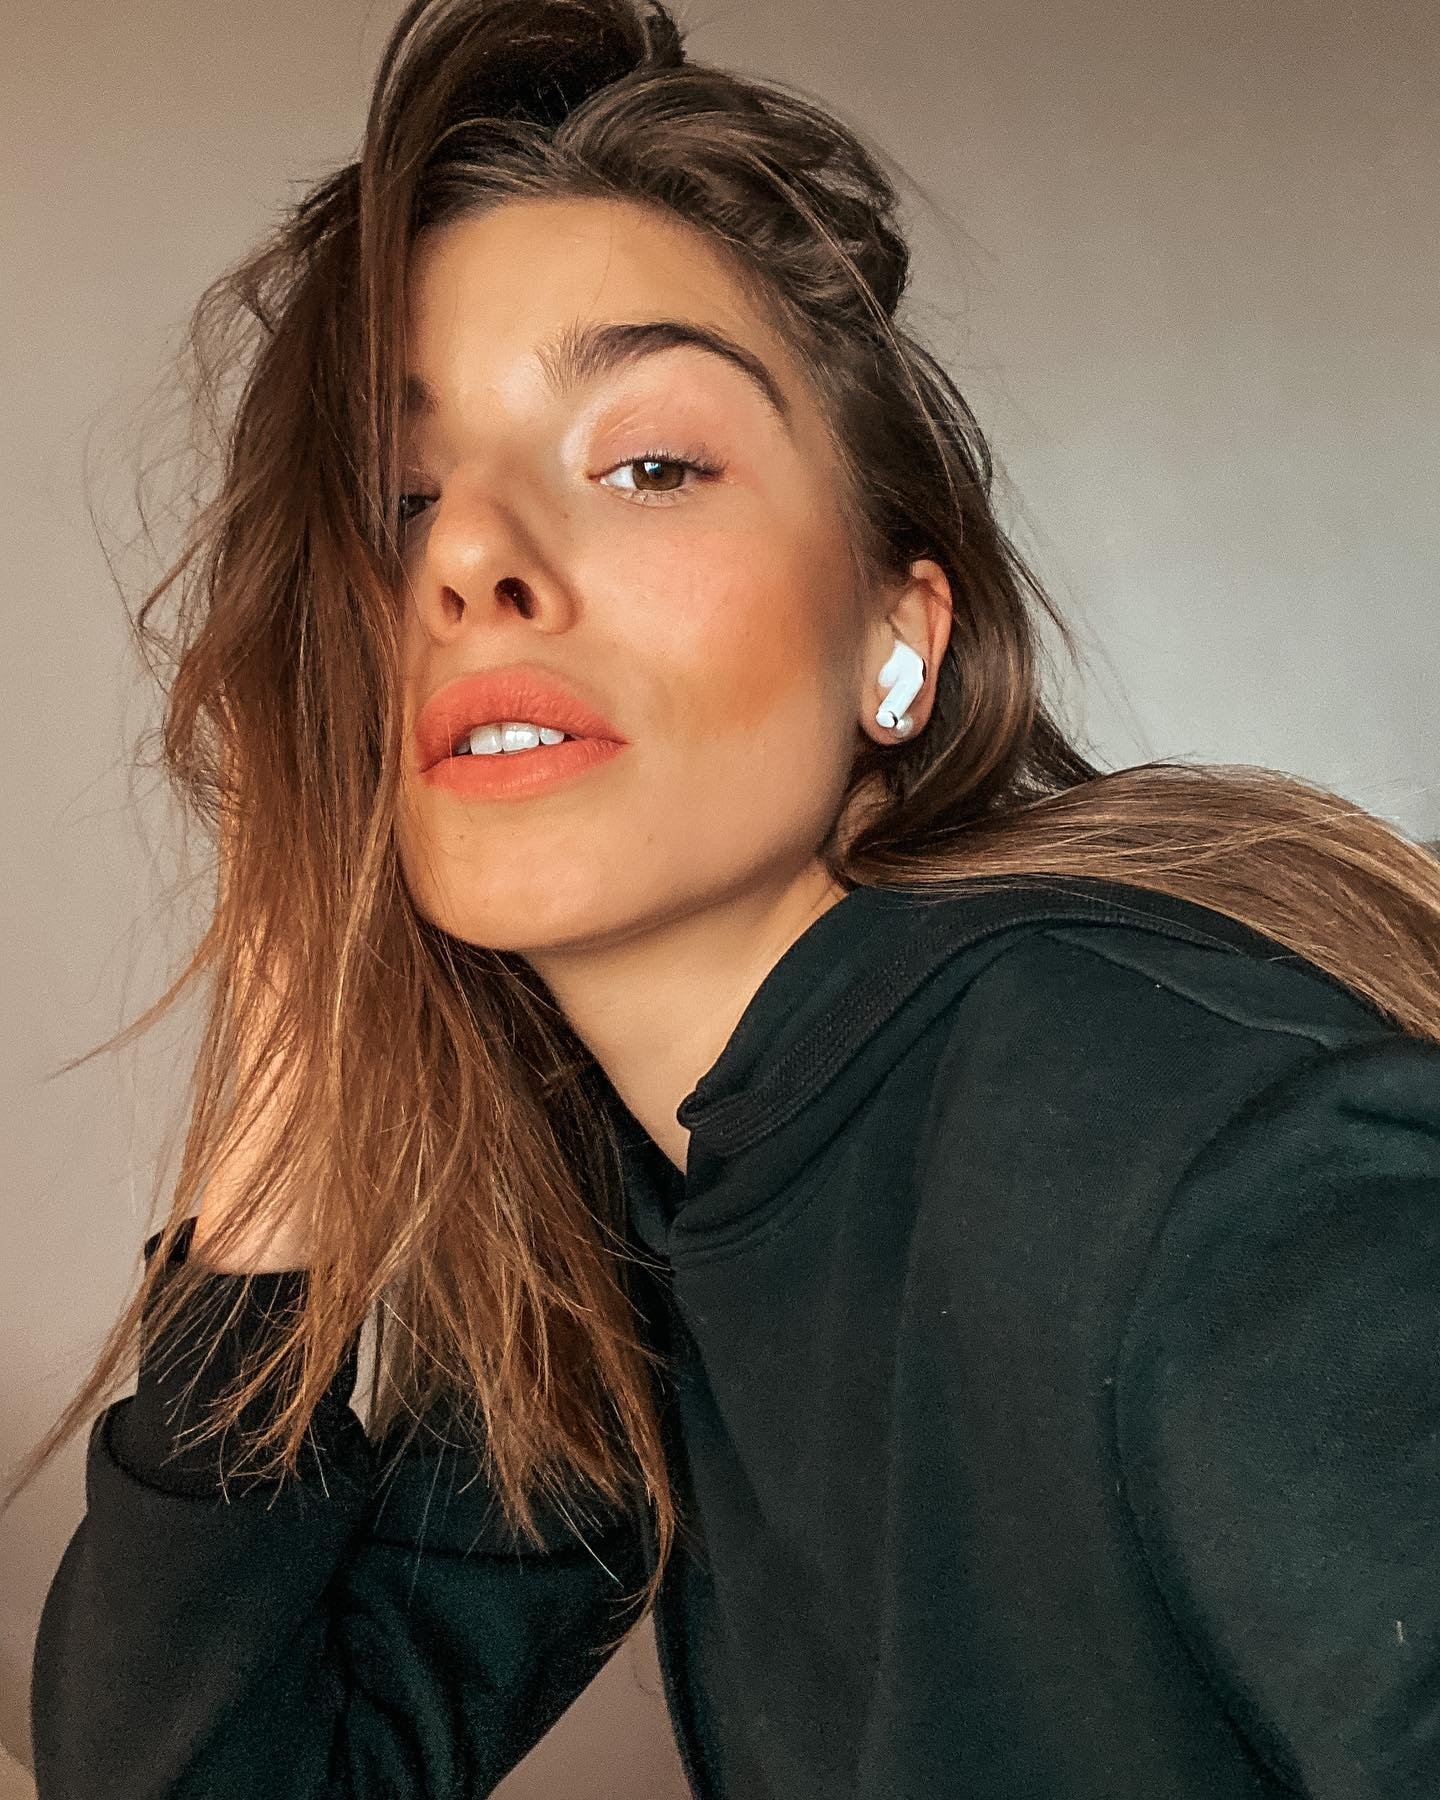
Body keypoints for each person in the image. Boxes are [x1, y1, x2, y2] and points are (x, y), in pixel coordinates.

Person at [13, 2, 1440, 1795]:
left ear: (897, 638)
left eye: (648, 464)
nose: (469, 555)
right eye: (401, 499)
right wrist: (298, 1056)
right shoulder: (660, 1206)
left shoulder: (1178, 1140)